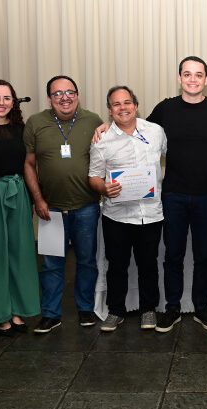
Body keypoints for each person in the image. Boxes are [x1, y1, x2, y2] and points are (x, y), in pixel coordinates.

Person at [145, 56, 207, 333]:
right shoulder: (165, 109)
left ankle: (201, 309)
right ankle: (172, 308)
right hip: (173, 195)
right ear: (179, 78)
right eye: (187, 74)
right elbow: (138, 133)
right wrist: (105, 127)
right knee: (172, 254)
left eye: (198, 75)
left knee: (204, 256)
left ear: (206, 79)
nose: (193, 79)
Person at [24, 75, 103, 333]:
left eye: (70, 92)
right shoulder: (36, 123)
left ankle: (85, 308)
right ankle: (50, 313)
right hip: (51, 209)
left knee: (87, 262)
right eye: (58, 93)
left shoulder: (94, 121)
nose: (64, 97)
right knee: (51, 264)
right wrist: (38, 200)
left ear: (78, 95)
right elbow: (29, 164)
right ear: (50, 98)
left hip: (87, 207)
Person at [88, 86, 167, 332]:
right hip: (117, 215)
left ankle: (148, 310)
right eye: (116, 104)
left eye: (127, 102)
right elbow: (93, 177)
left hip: (150, 213)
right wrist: (104, 188)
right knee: (117, 265)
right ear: (110, 110)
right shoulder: (102, 140)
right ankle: (116, 311)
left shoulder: (155, 132)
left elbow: (170, 157)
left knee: (148, 264)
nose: (123, 108)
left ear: (136, 104)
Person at [0, 80, 40, 336]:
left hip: (18, 194)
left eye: (7, 97)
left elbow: (29, 164)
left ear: (13, 102)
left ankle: (17, 311)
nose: (1, 102)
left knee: (21, 253)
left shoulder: (21, 129)